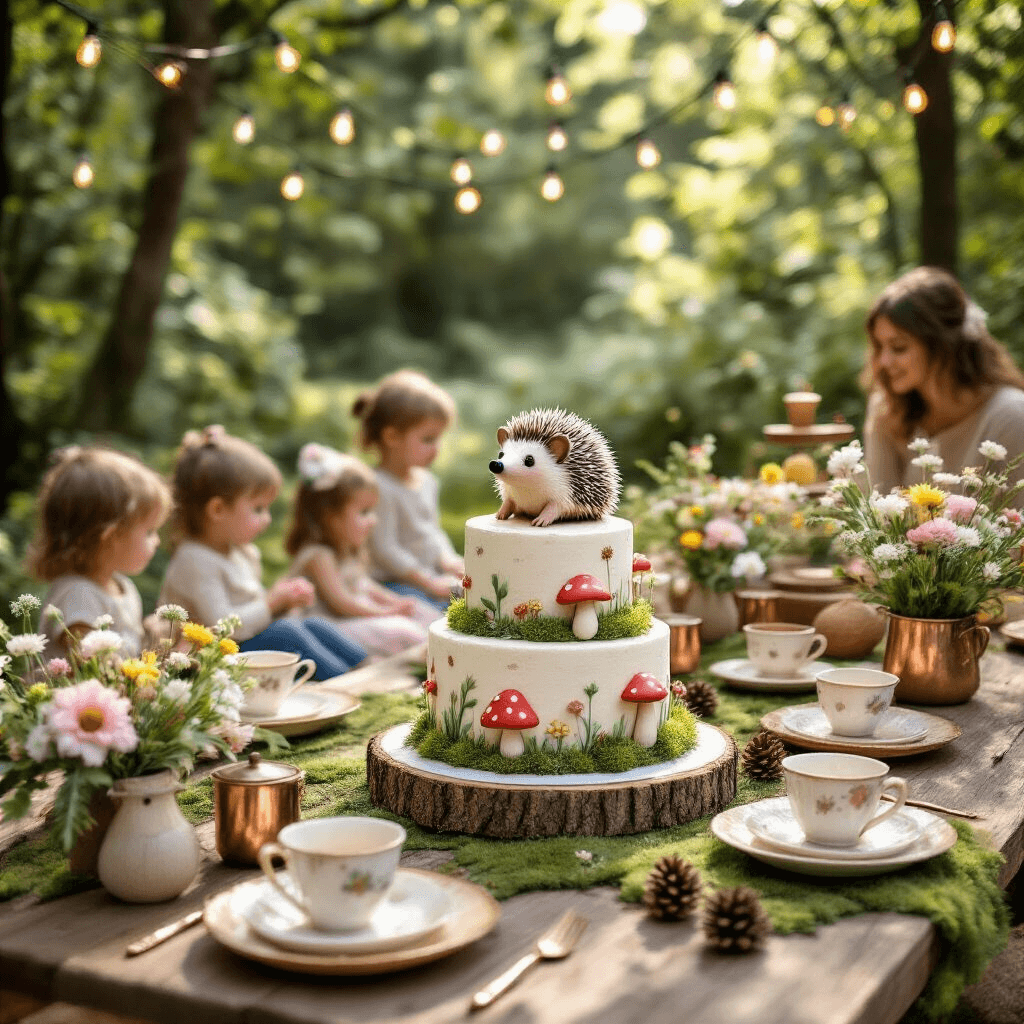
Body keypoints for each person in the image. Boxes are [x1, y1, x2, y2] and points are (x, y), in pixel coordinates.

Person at [158, 426, 367, 679]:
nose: (266, 519)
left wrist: (284, 602)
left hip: (243, 649)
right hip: (209, 664)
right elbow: (223, 626)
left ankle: (365, 670)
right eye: (257, 509)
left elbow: (255, 614)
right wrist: (272, 602)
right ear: (217, 510)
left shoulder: (240, 552)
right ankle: (344, 683)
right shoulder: (194, 559)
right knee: (286, 633)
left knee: (313, 624)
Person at [862, 266, 1024, 501]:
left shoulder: (1012, 416)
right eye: (879, 347)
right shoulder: (887, 410)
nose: (884, 361)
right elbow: (876, 512)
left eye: (899, 347)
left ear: (941, 345)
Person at [283, 443, 438, 659]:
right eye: (364, 512)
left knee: (423, 611)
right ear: (330, 516)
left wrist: (395, 602)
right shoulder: (318, 556)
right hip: (332, 630)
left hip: (357, 619)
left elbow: (366, 586)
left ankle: (440, 652)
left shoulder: (348, 550)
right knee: (403, 632)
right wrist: (387, 612)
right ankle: (432, 662)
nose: (373, 521)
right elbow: (342, 604)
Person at [28, 446, 172, 661]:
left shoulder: (123, 587)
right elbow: (95, 666)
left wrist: (153, 637)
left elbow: (128, 657)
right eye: (149, 531)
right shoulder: (78, 595)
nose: (157, 540)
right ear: (111, 535)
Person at [352, 369, 464, 610]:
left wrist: (450, 560)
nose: (436, 448)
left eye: (439, 438)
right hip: (395, 584)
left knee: (479, 606)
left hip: (429, 578)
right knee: (440, 619)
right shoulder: (378, 486)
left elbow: (432, 532)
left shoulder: (427, 481)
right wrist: (430, 582)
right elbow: (386, 550)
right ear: (391, 436)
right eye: (428, 439)